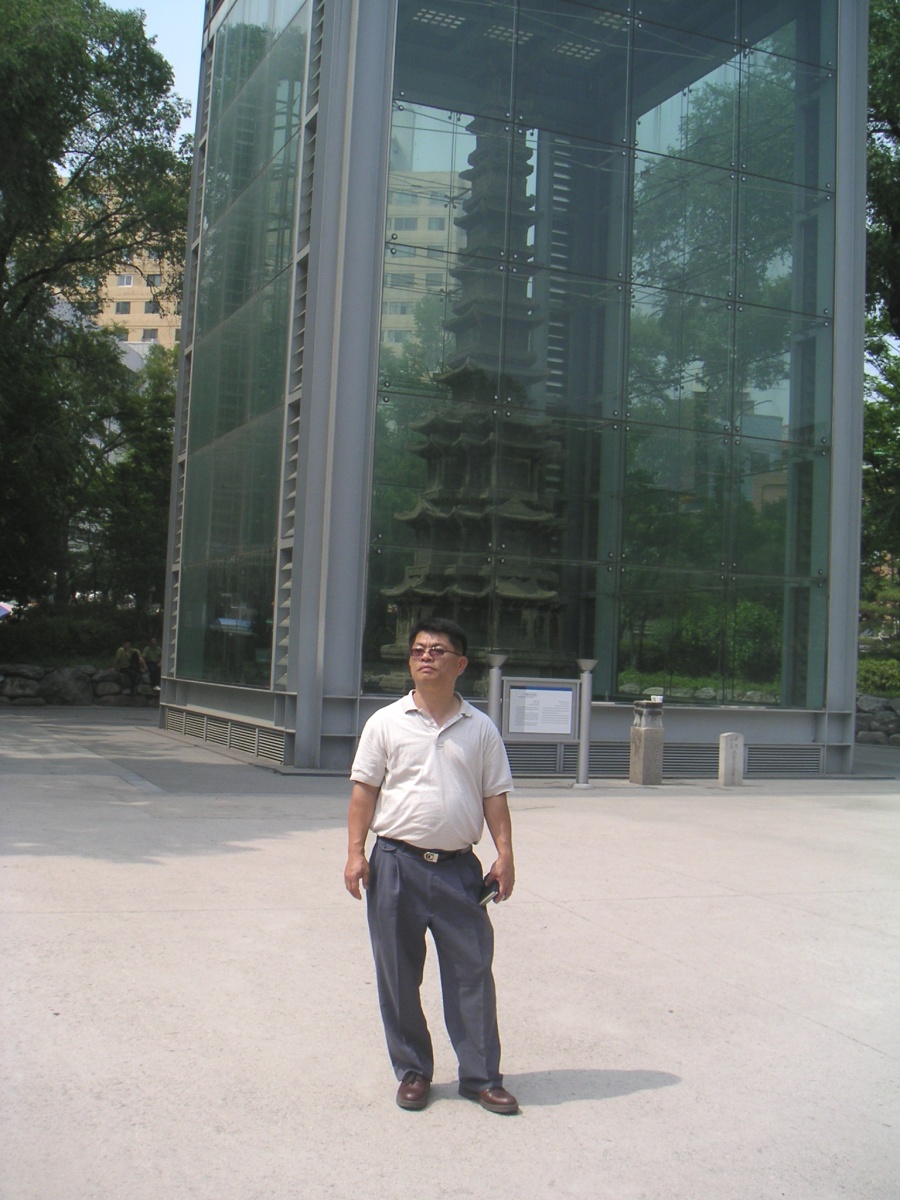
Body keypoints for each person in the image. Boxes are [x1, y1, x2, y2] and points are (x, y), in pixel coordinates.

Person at [345, 617, 518, 1115]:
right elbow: (364, 791)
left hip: (458, 870)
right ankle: (413, 1072)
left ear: (460, 664)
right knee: (398, 976)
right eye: (419, 649)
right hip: (395, 864)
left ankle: (481, 1078)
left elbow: (494, 795)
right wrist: (355, 852)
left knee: (471, 974)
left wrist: (505, 853)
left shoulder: (480, 728)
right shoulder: (385, 722)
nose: (426, 656)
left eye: (438, 650)